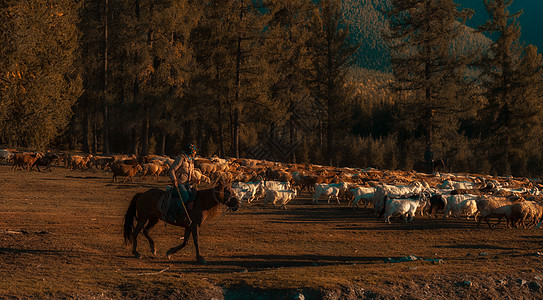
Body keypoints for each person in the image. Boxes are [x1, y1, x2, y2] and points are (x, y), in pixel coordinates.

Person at [168, 144, 197, 226]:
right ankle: (173, 212)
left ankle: (187, 214)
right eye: (194, 151)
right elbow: (172, 170)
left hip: (187, 183)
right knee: (185, 196)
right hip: (179, 182)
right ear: (191, 151)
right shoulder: (181, 158)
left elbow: (191, 173)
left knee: (195, 194)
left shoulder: (190, 160)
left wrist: (196, 179)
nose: (195, 153)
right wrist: (174, 180)